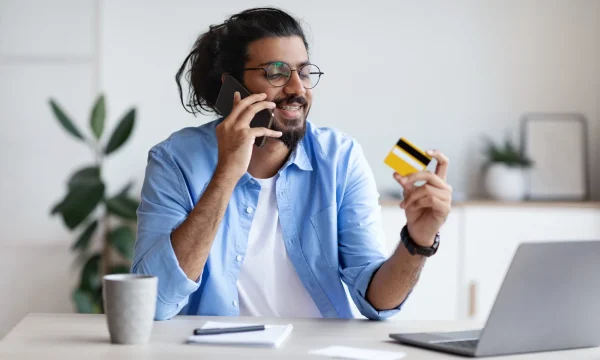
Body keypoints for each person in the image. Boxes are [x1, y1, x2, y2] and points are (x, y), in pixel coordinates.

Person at [132, 7, 452, 321]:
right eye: (276, 72)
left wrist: (417, 240)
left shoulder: (339, 158)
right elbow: (154, 303)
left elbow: (377, 302)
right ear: (232, 87)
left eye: (304, 72)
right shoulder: (175, 161)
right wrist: (227, 173)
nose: (297, 89)